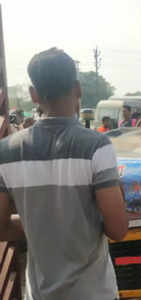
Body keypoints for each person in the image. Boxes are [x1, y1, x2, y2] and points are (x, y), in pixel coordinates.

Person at [0, 48, 127, 300]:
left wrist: (41, 225)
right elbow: (118, 229)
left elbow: (1, 227)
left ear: (33, 95)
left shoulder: (6, 152)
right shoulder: (96, 147)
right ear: (78, 89)